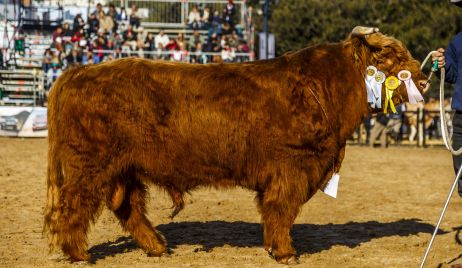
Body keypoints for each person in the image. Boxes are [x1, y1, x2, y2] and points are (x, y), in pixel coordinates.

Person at [432, 0, 462, 196]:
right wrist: (440, 64)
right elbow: (451, 74)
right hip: (461, 117)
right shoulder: (458, 41)